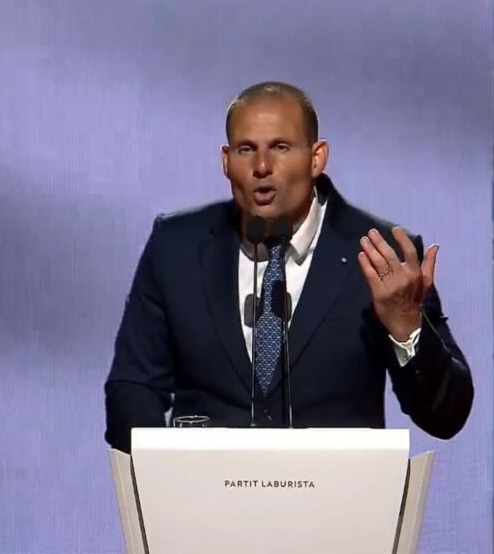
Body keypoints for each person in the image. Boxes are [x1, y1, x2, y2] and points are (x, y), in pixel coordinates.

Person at [104, 81, 473, 452]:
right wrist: (163, 473)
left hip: (335, 486)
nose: (262, 167)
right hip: (203, 487)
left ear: (317, 158)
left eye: (281, 148)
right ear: (226, 161)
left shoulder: (382, 258)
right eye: (246, 149)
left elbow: (446, 416)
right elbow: (132, 388)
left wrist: (408, 329)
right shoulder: (177, 247)